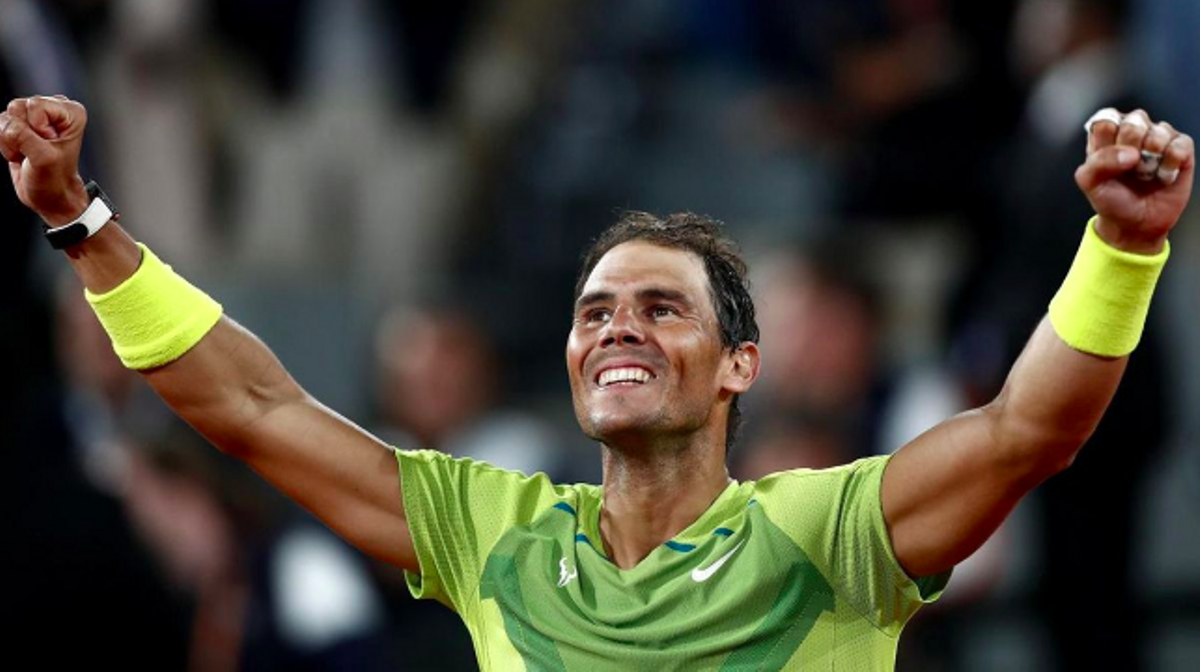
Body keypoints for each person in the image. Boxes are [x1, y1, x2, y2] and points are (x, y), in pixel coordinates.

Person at [1, 95, 1192, 669]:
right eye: (593, 312)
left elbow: (1031, 427)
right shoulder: (488, 529)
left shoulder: (830, 534)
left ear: (741, 366)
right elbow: (250, 410)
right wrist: (83, 225)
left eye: (661, 306)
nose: (615, 329)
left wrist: (1124, 247)